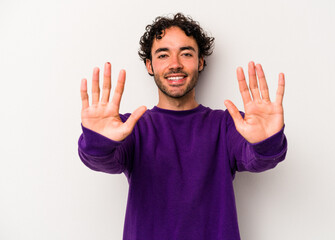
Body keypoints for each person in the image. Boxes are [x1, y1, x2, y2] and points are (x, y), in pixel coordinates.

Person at [78, 13, 287, 240]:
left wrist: (267, 142)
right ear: (150, 65)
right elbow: (103, 161)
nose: (175, 64)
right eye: (163, 54)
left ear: (200, 62)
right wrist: (98, 142)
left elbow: (258, 159)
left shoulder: (226, 125)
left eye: (186, 53)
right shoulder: (131, 128)